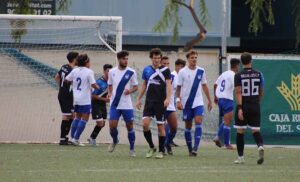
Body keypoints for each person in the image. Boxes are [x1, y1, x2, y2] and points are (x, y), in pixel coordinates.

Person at [136, 48, 171, 159]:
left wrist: (168, 98)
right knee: (145, 124)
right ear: (151, 58)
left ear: (160, 59)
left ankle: (161, 150)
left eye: (158, 58)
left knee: (160, 126)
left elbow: (169, 85)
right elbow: (144, 85)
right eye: (155, 58)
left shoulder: (166, 70)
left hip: (160, 102)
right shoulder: (147, 70)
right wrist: (138, 99)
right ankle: (152, 147)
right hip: (149, 102)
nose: (156, 60)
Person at [176, 50, 212, 157]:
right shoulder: (182, 72)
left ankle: (196, 147)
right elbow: (178, 87)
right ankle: (189, 149)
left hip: (198, 102)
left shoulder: (201, 71)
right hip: (187, 103)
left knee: (198, 121)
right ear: (188, 59)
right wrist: (178, 101)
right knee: (188, 126)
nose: (194, 59)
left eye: (196, 57)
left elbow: (204, 85)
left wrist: (209, 100)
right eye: (192, 58)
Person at [234, 52, 265, 164]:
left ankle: (241, 157)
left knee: (240, 131)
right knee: (255, 130)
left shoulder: (238, 75)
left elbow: (238, 91)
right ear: (251, 61)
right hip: (255, 105)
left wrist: (240, 107)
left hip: (244, 105)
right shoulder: (259, 74)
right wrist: (257, 102)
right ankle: (260, 146)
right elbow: (261, 90)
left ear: (241, 62)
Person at [107, 50, 138, 157]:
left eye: (127, 59)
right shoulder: (112, 72)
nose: (126, 61)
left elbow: (136, 87)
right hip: (115, 104)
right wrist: (110, 93)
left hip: (127, 104)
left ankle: (132, 149)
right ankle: (115, 140)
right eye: (124, 59)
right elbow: (110, 84)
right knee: (112, 126)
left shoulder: (131, 72)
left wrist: (130, 91)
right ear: (119, 59)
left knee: (129, 125)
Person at [66, 54, 99, 146]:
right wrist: (98, 87)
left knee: (77, 117)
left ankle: (72, 138)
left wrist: (75, 84)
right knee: (84, 118)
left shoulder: (75, 70)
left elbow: (67, 80)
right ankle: (76, 139)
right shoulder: (89, 72)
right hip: (85, 99)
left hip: (76, 98)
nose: (90, 63)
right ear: (86, 62)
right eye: (89, 61)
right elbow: (94, 84)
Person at [213, 58, 240, 149]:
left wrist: (215, 97)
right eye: (238, 66)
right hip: (227, 99)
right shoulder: (233, 75)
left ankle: (217, 136)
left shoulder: (224, 73)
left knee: (226, 120)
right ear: (236, 66)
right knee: (228, 122)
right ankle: (227, 144)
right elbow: (237, 89)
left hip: (220, 99)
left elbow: (215, 84)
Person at [160, 57, 186, 155]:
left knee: (174, 127)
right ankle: (162, 147)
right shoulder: (169, 75)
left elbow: (176, 91)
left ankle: (167, 143)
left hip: (170, 105)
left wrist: (179, 100)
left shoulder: (173, 76)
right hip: (161, 106)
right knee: (162, 126)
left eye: (168, 64)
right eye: (164, 64)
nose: (166, 66)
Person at [54, 51, 78, 145]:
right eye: (77, 58)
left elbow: (56, 77)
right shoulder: (72, 71)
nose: (78, 59)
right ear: (74, 59)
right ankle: (62, 139)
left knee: (72, 115)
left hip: (64, 94)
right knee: (66, 116)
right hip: (66, 96)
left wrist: (61, 87)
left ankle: (65, 137)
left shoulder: (64, 66)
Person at [87, 64, 113, 146]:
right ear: (104, 71)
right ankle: (92, 138)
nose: (109, 73)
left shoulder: (111, 82)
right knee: (100, 123)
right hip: (96, 104)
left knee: (103, 124)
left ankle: (92, 138)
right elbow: (93, 96)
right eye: (108, 71)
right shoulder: (99, 82)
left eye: (110, 71)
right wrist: (105, 99)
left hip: (103, 104)